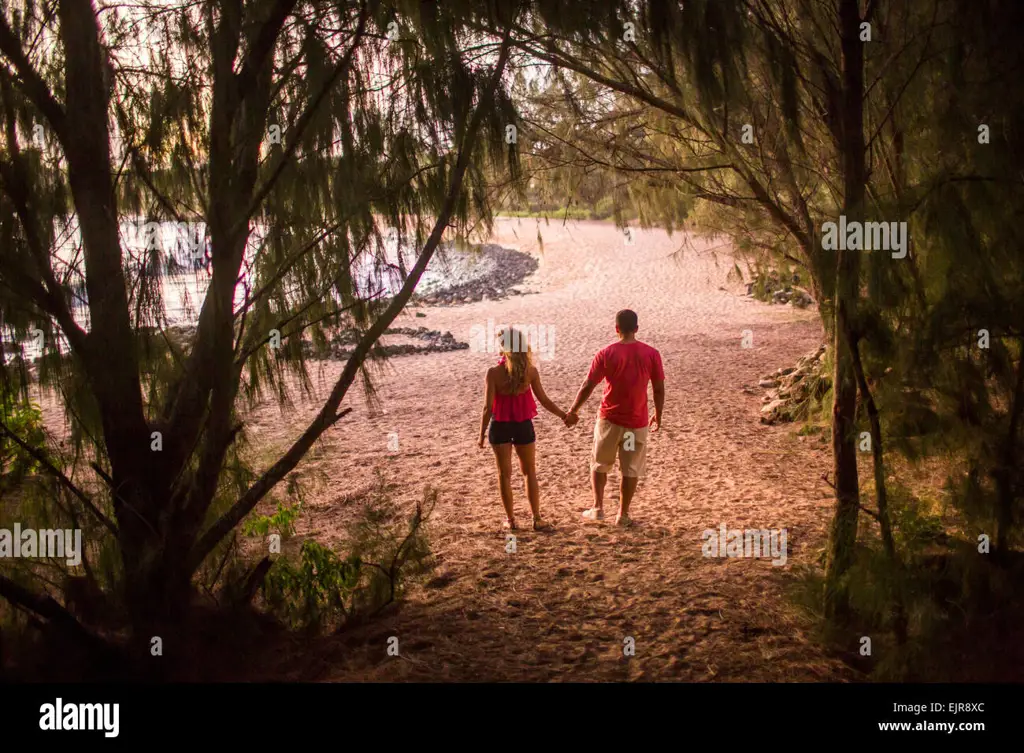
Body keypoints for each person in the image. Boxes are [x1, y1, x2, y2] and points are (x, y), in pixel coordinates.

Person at [564, 309, 665, 526]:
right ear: (636, 329)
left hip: (609, 420)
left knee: (600, 463)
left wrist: (574, 410)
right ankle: (623, 514)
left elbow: (588, 385)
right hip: (635, 423)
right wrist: (658, 413)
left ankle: (598, 507)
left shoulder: (606, 353)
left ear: (616, 328)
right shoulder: (651, 354)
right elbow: (658, 388)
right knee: (630, 467)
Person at [479, 328, 570, 530]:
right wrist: (564, 415)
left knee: (504, 474)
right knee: (529, 472)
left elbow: (487, 407)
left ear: (503, 347)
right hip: (523, 425)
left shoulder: (493, 373)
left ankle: (511, 521)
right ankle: (536, 518)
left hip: (500, 425)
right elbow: (544, 399)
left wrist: (481, 434)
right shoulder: (531, 371)